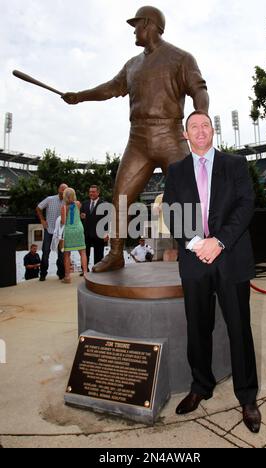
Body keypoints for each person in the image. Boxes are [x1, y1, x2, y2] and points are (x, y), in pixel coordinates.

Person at [62, 6, 209, 273]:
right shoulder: (132, 65)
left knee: (186, 198)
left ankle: (193, 253)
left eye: (137, 24)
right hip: (138, 138)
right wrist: (80, 95)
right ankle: (116, 253)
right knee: (120, 195)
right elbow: (109, 88)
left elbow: (199, 90)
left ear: (150, 24)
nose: (134, 30)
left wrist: (200, 120)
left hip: (171, 135)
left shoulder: (181, 58)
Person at [163, 111, 261, 434]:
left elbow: (246, 205)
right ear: (185, 134)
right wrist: (195, 244)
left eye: (205, 125)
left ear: (213, 131)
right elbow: (170, 211)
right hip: (194, 260)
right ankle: (200, 386)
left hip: (230, 257)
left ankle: (247, 397)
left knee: (239, 329)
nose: (201, 130)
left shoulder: (235, 164)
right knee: (198, 328)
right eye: (194, 126)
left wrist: (218, 242)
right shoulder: (176, 171)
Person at [36, 183, 68, 281]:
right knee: (45, 253)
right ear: (58, 189)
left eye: (65, 189)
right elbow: (38, 208)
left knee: (61, 254)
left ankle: (61, 274)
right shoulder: (49, 199)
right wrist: (42, 220)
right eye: (61, 189)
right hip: (49, 231)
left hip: (62, 232)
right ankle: (43, 274)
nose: (63, 191)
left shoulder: (68, 202)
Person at [61, 188, 87, 283]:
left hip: (69, 231)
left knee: (67, 254)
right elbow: (78, 215)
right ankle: (85, 273)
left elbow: (63, 222)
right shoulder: (78, 204)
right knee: (83, 252)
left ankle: (67, 277)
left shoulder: (63, 207)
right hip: (79, 229)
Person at [80, 185, 109, 274]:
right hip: (86, 233)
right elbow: (81, 217)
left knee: (99, 253)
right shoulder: (84, 204)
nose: (91, 193)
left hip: (99, 233)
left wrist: (106, 233)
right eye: (90, 192)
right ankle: (85, 270)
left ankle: (97, 270)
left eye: (93, 192)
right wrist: (81, 216)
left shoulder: (104, 204)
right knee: (85, 253)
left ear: (98, 192)